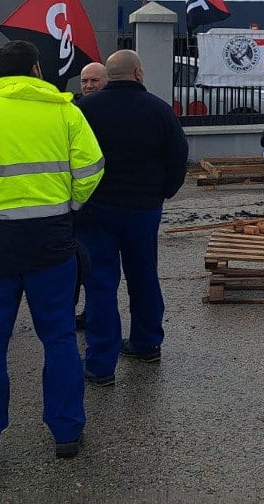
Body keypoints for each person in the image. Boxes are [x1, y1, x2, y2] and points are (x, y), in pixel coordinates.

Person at [0, 39, 104, 470]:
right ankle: (67, 431)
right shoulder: (66, 112)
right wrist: (69, 205)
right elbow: (92, 167)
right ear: (35, 69)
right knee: (60, 337)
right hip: (52, 238)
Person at [76, 50, 187, 383]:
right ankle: (147, 342)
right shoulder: (159, 110)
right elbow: (178, 155)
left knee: (100, 283)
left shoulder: (83, 111)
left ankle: (100, 364)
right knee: (144, 275)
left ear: (109, 76)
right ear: (138, 73)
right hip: (143, 208)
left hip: (95, 209)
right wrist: (163, 192)